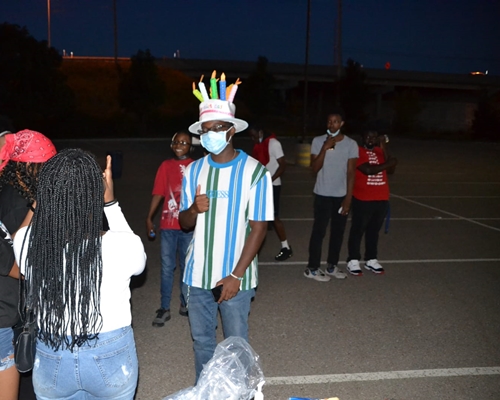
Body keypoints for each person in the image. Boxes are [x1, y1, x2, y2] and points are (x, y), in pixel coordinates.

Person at [13, 149, 146, 400]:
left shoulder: (27, 242)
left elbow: (23, 239)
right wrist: (111, 204)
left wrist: (44, 199)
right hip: (109, 353)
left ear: (46, 194)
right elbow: (138, 261)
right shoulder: (124, 246)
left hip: (52, 352)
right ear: (97, 193)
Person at [180, 74, 274, 382]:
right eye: (205, 131)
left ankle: (241, 394)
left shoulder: (255, 173)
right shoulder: (193, 170)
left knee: (237, 347)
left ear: (231, 131)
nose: (210, 135)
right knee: (202, 343)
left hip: (235, 276)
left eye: (217, 129)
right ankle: (206, 391)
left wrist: (236, 276)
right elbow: (183, 222)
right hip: (197, 275)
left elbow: (259, 228)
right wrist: (194, 209)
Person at [0, 128, 56, 400]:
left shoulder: (16, 193)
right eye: (45, 166)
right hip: (13, 311)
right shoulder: (18, 205)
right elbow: (22, 265)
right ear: (29, 167)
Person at [146, 130, 194, 326]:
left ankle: (186, 302)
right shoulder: (165, 166)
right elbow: (158, 193)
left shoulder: (195, 166)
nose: (180, 145)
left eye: (184, 142)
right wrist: (149, 217)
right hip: (168, 225)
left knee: (186, 265)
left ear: (190, 146)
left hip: (188, 227)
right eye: (176, 142)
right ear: (171, 144)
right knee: (167, 267)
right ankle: (164, 307)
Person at [304, 110, 359, 282]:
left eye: (335, 121)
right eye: (329, 121)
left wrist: (348, 198)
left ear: (341, 124)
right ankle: (312, 268)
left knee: (338, 232)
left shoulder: (351, 144)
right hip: (322, 194)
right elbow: (314, 168)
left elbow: (351, 173)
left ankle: (331, 266)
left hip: (341, 196)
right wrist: (324, 148)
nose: (331, 124)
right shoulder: (318, 141)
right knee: (318, 232)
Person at [345, 130, 398, 275]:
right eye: (368, 136)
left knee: (374, 231)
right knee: (358, 229)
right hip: (363, 198)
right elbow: (367, 170)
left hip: (381, 198)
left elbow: (391, 170)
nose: (370, 139)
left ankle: (371, 259)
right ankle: (353, 259)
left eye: (374, 137)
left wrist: (384, 148)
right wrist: (388, 163)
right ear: (362, 137)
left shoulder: (380, 152)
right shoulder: (357, 151)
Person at [248, 124, 292, 261]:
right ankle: (252, 249)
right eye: (251, 136)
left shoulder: (273, 143)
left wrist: (270, 179)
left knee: (274, 217)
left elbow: (282, 164)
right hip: (261, 185)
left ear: (261, 132)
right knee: (258, 218)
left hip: (273, 184)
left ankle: (286, 247)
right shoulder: (259, 145)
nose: (253, 138)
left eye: (254, 135)